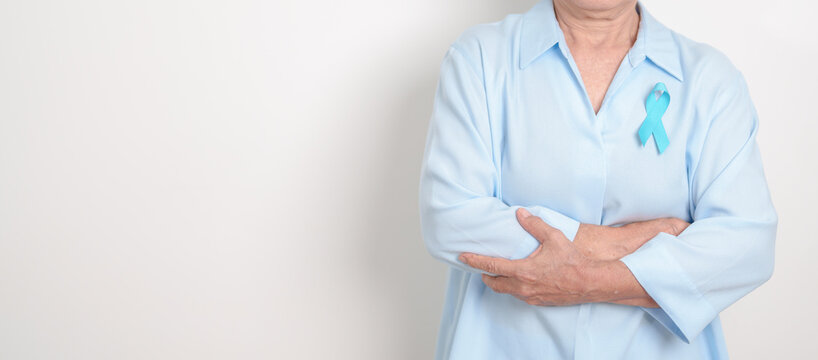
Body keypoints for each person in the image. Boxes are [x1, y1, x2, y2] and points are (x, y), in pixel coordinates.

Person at [417, 0, 778, 359]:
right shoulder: (479, 58)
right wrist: (618, 242)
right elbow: (450, 217)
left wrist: (587, 282)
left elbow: (748, 243)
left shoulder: (710, 79)